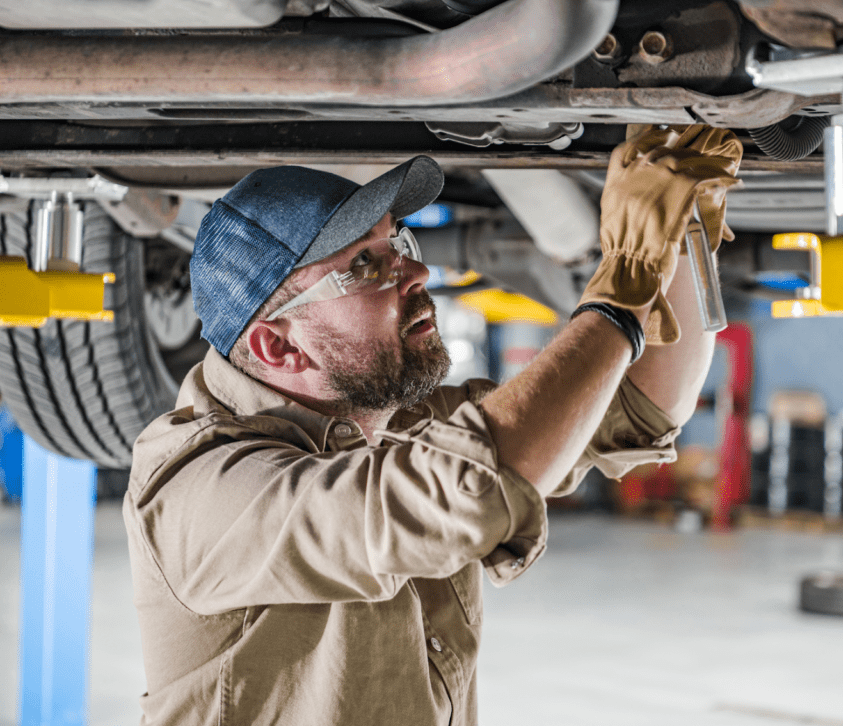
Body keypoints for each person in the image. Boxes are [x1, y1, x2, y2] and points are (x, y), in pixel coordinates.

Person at [124, 125, 742, 724]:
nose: (414, 273)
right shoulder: (202, 490)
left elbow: (644, 401)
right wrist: (620, 288)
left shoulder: (395, 421)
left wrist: (682, 235)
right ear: (278, 349)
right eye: (364, 268)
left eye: (398, 245)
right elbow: (466, 491)